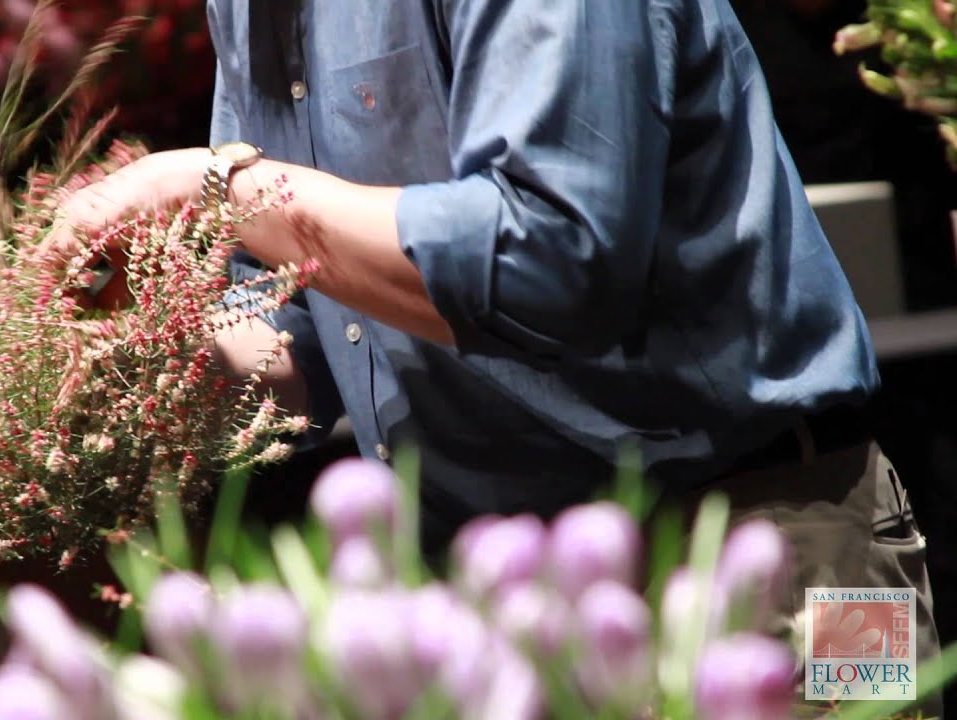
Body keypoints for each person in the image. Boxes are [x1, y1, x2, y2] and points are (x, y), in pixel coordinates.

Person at [51, 0, 942, 711]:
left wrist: (218, 188)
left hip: (793, 547)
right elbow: (313, 328)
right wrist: (142, 362)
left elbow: (551, 258)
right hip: (509, 603)